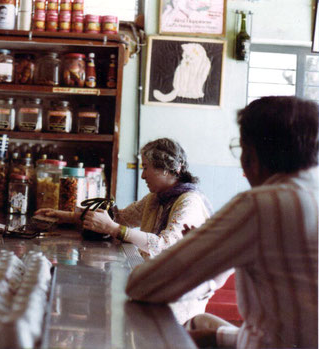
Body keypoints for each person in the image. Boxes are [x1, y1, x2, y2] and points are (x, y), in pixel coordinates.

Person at [125, 96, 318, 348]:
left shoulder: (260, 204)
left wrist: (198, 255)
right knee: (201, 323)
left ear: (252, 155)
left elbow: (143, 284)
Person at [37, 138, 229, 323]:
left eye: (146, 167)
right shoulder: (155, 198)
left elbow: (163, 245)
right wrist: (65, 216)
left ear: (167, 169)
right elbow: (120, 217)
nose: (142, 175)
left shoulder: (189, 201)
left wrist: (114, 229)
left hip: (179, 302)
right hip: (156, 287)